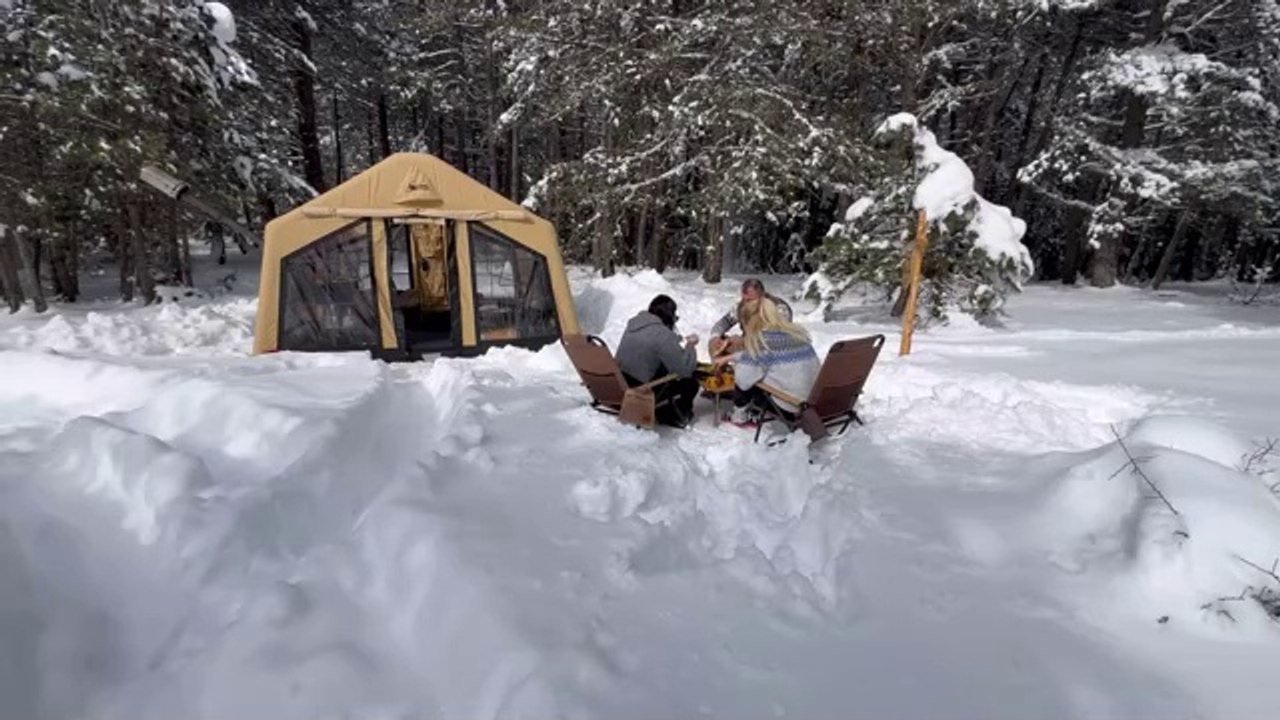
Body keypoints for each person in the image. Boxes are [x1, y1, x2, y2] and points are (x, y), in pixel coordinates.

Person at [714, 296, 819, 427]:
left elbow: (743, 381)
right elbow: (762, 355)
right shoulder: (797, 334)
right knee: (758, 369)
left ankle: (739, 416)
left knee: (749, 376)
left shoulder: (762, 341)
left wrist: (736, 365)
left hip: (791, 404)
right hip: (814, 399)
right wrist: (730, 357)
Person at [614, 294, 701, 427]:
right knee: (690, 382)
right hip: (640, 390)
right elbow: (685, 369)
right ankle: (675, 415)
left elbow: (647, 349)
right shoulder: (662, 335)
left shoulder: (634, 325)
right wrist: (690, 345)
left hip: (620, 382)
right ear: (669, 315)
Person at [709, 278, 794, 345]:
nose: (746, 303)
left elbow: (779, 336)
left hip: (774, 349)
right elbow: (724, 322)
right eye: (744, 299)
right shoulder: (741, 306)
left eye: (750, 300)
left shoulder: (779, 308)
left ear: (762, 295)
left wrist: (742, 341)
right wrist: (716, 337)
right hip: (748, 346)